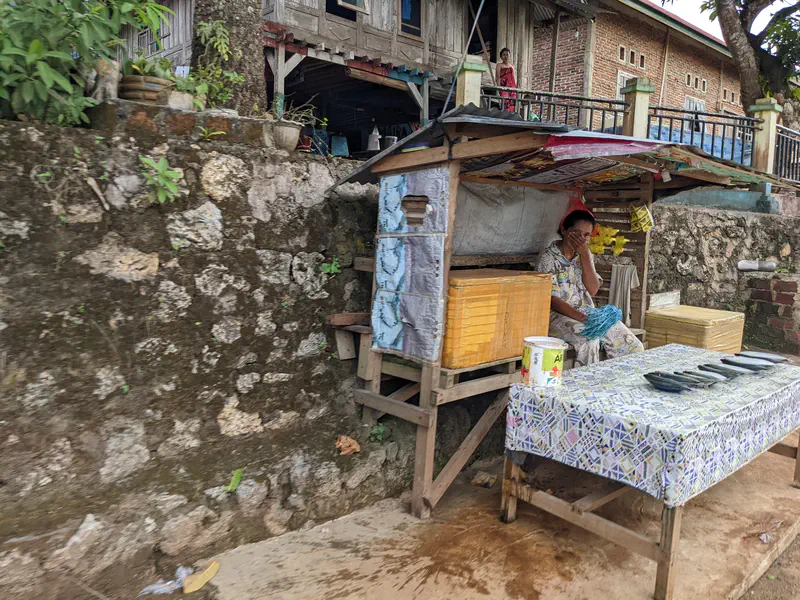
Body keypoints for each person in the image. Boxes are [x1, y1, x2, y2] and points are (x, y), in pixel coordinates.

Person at [536, 207, 644, 367]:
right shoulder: (548, 257)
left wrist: (585, 255)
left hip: (588, 315)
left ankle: (618, 383)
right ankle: (585, 385)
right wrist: (582, 318)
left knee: (632, 345)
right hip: (557, 317)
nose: (582, 238)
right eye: (577, 233)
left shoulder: (585, 255)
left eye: (586, 235)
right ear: (564, 230)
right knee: (590, 339)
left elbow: (593, 289)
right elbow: (552, 300)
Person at [496, 48, 517, 113]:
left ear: (509, 56)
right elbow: (498, 77)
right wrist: (499, 88)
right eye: (504, 55)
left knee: (512, 102)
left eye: (507, 54)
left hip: (512, 87)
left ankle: (512, 115)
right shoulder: (499, 65)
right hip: (504, 87)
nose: (505, 56)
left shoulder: (512, 66)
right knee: (505, 102)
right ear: (501, 56)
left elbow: (513, 77)